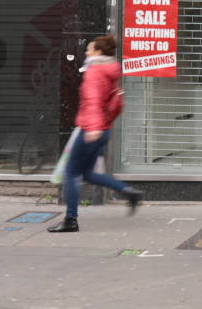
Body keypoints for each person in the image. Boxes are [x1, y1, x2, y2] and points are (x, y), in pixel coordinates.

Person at [48, 35, 144, 233]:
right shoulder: (111, 71)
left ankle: (70, 219)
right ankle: (127, 191)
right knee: (88, 174)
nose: (86, 52)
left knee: (71, 173)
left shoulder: (95, 72)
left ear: (98, 53)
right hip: (104, 129)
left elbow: (93, 101)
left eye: (89, 49)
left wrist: (92, 128)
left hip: (91, 129)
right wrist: (100, 126)